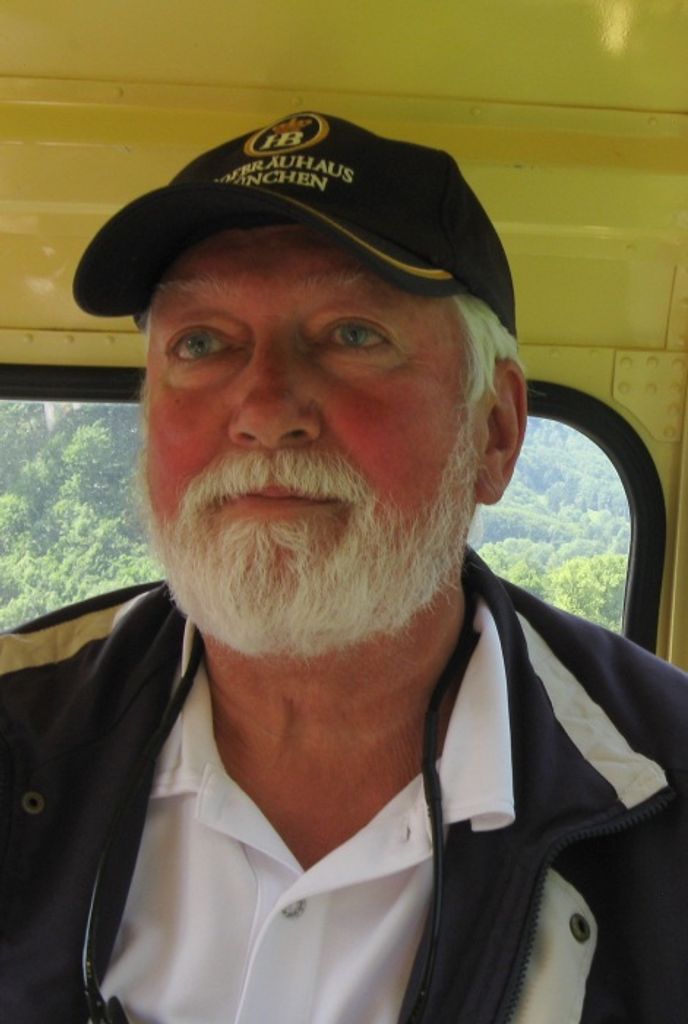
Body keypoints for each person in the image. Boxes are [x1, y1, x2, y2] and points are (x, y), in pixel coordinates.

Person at [1, 112, 687, 1024]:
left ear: (494, 432)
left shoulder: (667, 789)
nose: (264, 408)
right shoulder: (15, 725)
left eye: (353, 335)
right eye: (201, 343)